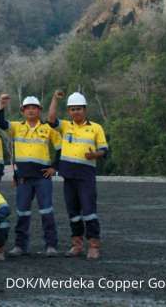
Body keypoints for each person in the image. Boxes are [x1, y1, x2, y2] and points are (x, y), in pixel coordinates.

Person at [0, 94, 62, 257]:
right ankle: (20, 246)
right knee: (22, 212)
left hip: (42, 178)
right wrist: (1, 106)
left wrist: (54, 167)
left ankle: (51, 245)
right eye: (27, 108)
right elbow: (0, 123)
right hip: (23, 178)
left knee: (47, 211)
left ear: (39, 110)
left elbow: (61, 148)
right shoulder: (17, 127)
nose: (31, 110)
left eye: (34, 108)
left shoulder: (48, 128)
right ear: (22, 111)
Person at [48, 90, 108, 260]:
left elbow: (104, 150)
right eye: (72, 109)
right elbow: (51, 119)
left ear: (85, 109)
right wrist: (54, 99)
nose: (76, 112)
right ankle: (77, 245)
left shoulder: (96, 128)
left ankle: (94, 245)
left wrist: (94, 155)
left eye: (79, 109)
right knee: (73, 212)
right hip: (69, 176)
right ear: (69, 111)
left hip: (86, 175)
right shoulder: (66, 126)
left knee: (89, 211)